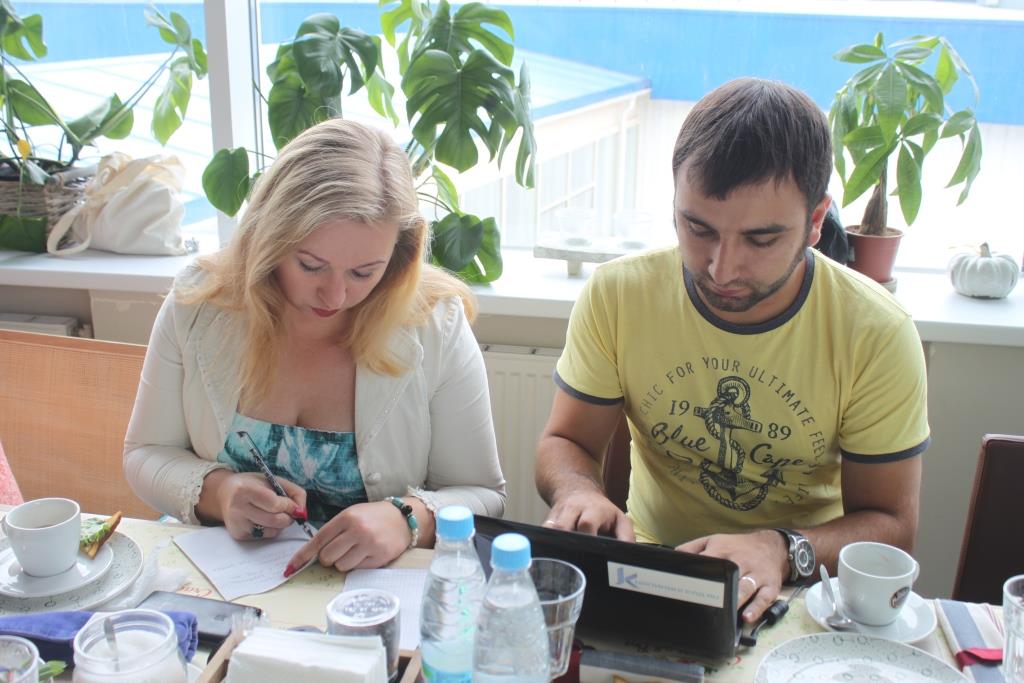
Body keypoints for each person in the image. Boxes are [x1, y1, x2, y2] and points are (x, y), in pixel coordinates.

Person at [535, 78, 929, 624]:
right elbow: (566, 441)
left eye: (761, 240)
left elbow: (891, 524)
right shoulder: (618, 293)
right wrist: (579, 491)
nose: (722, 269)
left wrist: (780, 548)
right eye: (697, 228)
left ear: (816, 222)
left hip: (800, 591)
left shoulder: (875, 331)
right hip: (651, 569)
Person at [125, 118, 506, 575]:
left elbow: (484, 495)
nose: (335, 296)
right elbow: (145, 453)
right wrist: (219, 492)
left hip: (373, 593)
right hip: (217, 582)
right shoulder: (200, 303)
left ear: (399, 256)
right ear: (268, 239)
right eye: (310, 265)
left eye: (364, 272)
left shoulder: (435, 324)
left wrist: (407, 518)